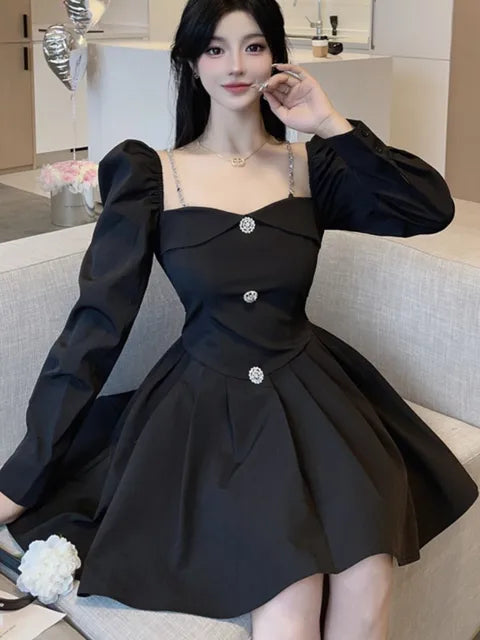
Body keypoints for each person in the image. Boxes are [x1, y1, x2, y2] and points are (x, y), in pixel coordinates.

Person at [0, 1, 478, 638]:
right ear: (191, 62)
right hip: (207, 407)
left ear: (276, 57)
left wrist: (330, 124)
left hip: (315, 395)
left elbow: (429, 208)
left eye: (253, 47)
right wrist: (24, 474)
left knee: (368, 569)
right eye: (215, 49)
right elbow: (96, 326)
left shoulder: (313, 167)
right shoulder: (151, 175)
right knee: (289, 589)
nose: (234, 66)